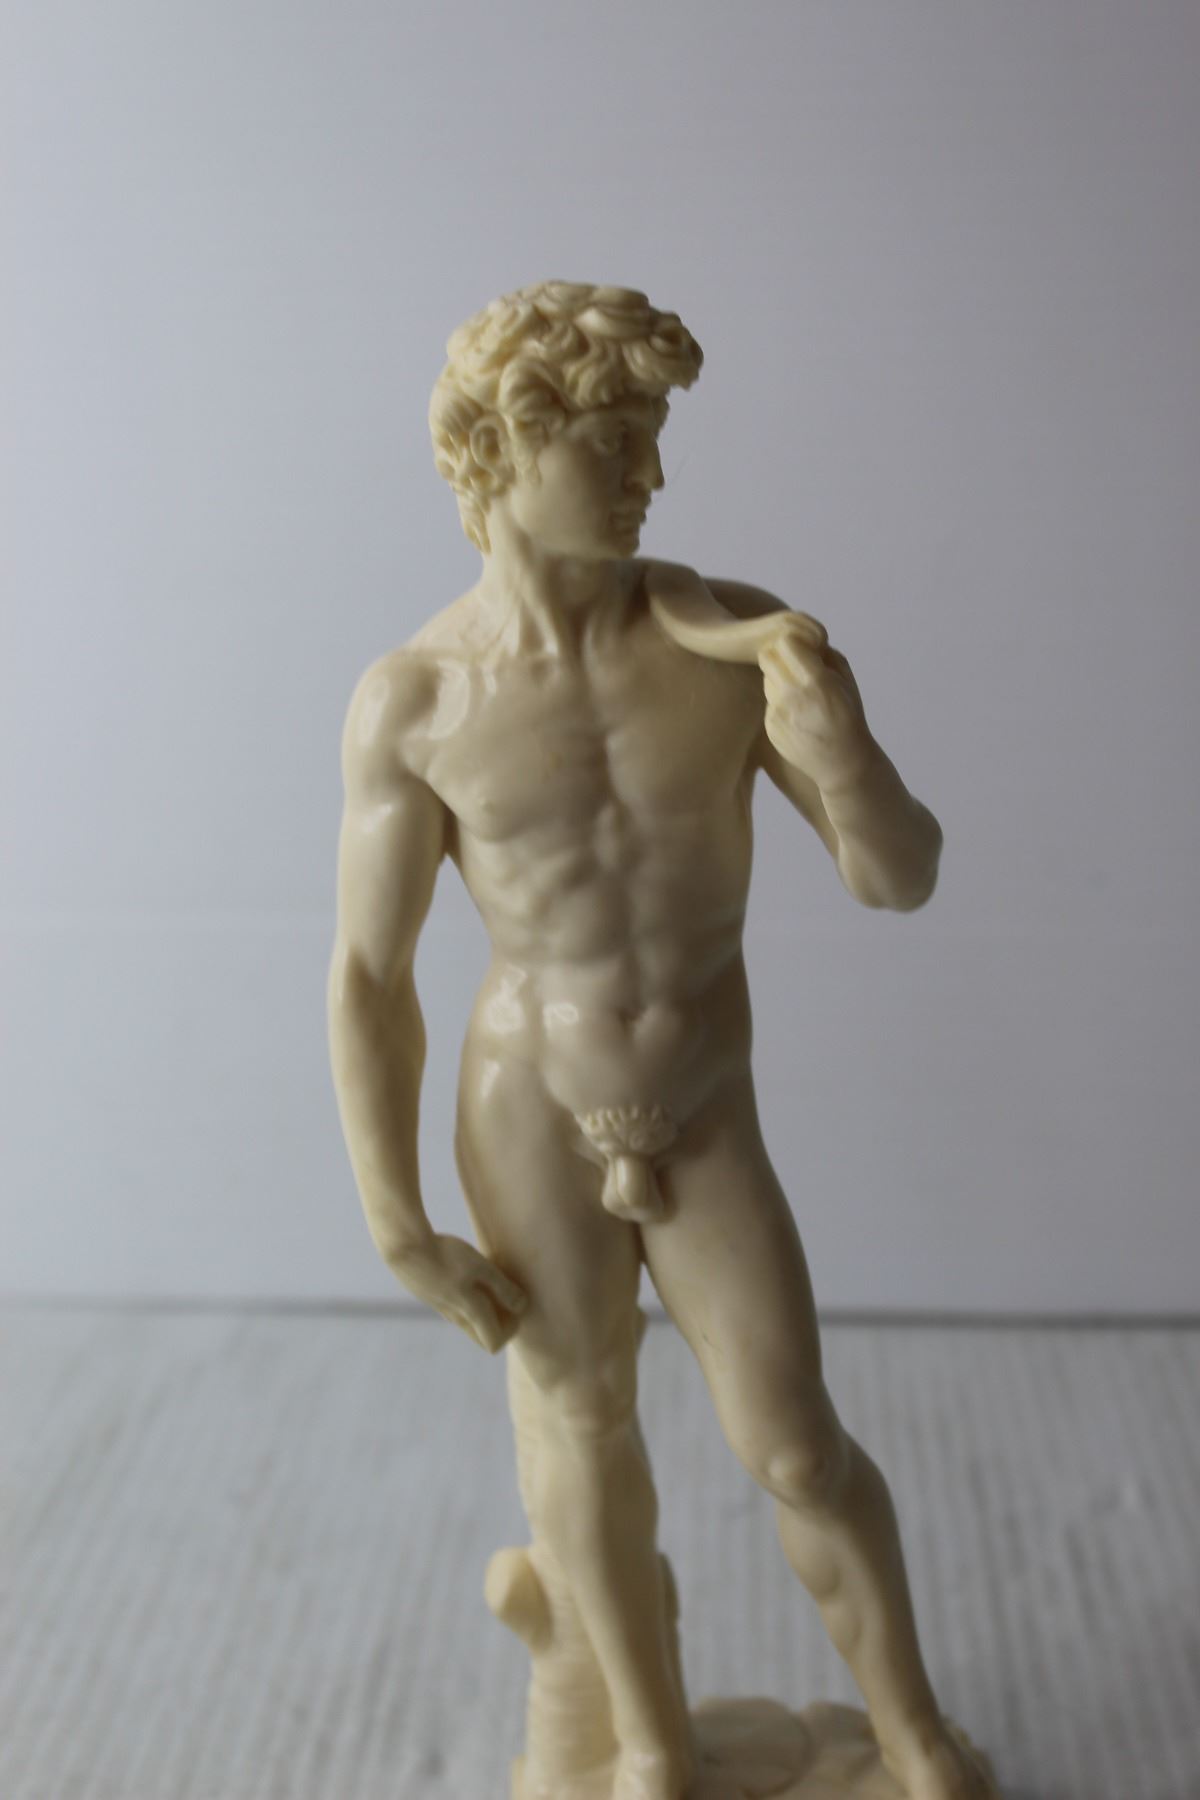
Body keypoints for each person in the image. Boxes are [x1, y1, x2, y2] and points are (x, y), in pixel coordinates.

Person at [329, 282, 990, 1800]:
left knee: (797, 1447)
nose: (653, 473)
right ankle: (648, 1754)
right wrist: (395, 1217)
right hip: (529, 1109)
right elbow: (370, 975)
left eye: (655, 435)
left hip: (701, 1106)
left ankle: (914, 1739)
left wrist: (840, 751)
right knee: (578, 1422)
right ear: (508, 447)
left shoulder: (725, 647)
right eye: (616, 440)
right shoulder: (415, 701)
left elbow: (899, 877)